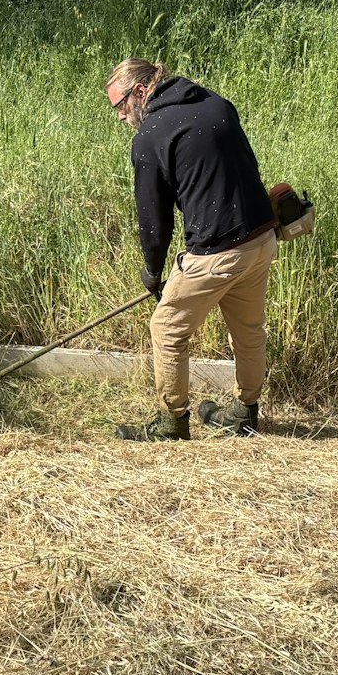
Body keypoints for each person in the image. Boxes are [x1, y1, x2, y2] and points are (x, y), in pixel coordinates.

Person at [105, 58, 276, 441]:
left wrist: (153, 273)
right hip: (262, 239)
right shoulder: (215, 102)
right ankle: (245, 411)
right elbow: (248, 166)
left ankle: (171, 422)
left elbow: (154, 221)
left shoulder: (149, 136)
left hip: (217, 252)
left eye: (119, 107)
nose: (119, 117)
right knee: (248, 331)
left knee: (166, 329)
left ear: (139, 92)